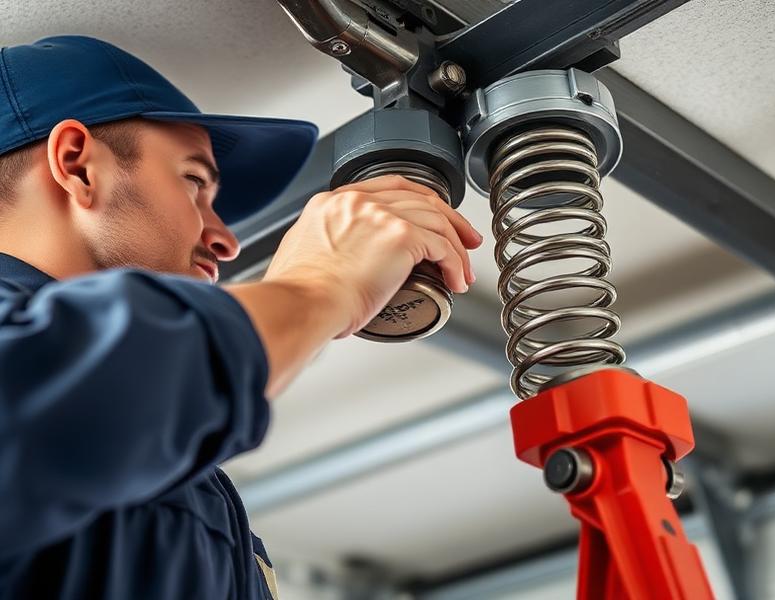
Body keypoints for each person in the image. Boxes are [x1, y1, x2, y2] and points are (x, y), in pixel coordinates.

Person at [0, 36, 481, 599]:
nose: (226, 241)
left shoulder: (169, 460)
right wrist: (317, 285)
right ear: (77, 165)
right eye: (194, 182)